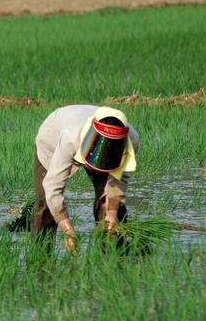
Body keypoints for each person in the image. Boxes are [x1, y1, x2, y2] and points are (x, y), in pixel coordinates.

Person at [30, 105, 139, 252]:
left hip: (109, 152)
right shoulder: (70, 138)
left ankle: (114, 256)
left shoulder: (131, 141)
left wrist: (112, 211)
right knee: (46, 203)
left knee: (108, 203)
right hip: (53, 139)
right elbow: (52, 187)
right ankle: (40, 257)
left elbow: (118, 181)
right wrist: (69, 232)